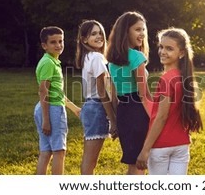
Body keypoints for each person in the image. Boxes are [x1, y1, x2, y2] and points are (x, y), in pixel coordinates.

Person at [136, 28, 203, 175]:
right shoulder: (185, 78)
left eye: (169, 48)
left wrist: (145, 150)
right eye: (161, 47)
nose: (162, 51)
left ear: (182, 53)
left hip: (161, 145)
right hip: (181, 144)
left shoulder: (166, 79)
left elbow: (161, 117)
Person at [106, 11, 152, 175]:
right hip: (138, 112)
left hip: (124, 113)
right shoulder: (136, 57)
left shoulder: (112, 60)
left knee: (133, 165)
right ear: (126, 31)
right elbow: (143, 94)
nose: (142, 34)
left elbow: (114, 95)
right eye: (137, 29)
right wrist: (155, 118)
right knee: (140, 166)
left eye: (143, 30)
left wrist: (116, 120)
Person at [34, 26, 81, 175]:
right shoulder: (49, 63)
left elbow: (57, 92)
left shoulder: (51, 61)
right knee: (59, 152)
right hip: (51, 110)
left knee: (46, 152)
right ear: (44, 45)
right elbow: (44, 90)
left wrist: (74, 109)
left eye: (61, 41)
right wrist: (46, 120)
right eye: (53, 42)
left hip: (46, 108)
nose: (58, 45)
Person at [75, 20, 117, 175]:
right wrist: (113, 120)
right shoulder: (97, 58)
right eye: (94, 34)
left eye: (100, 33)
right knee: (90, 161)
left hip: (90, 107)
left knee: (88, 159)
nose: (99, 36)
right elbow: (101, 92)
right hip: (96, 108)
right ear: (84, 39)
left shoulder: (88, 56)